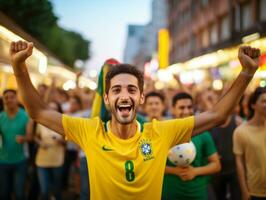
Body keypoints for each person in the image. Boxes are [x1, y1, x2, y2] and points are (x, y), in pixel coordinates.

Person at [9, 40, 260, 200]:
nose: (124, 95)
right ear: (106, 99)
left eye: (131, 90)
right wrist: (19, 68)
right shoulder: (89, 131)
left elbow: (217, 116)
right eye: (116, 90)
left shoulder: (160, 132)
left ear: (140, 98)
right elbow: (38, 112)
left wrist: (247, 73)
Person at [162, 92, 221, 200]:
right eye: (181, 107)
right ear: (173, 109)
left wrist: (194, 171)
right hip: (169, 193)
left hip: (197, 194)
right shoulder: (163, 132)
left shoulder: (203, 133)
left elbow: (216, 165)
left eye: (189, 107)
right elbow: (150, 163)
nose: (186, 111)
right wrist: (174, 171)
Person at [233, 87, 266, 200]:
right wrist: (244, 191)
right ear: (253, 105)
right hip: (255, 191)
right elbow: (239, 163)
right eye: (264, 101)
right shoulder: (240, 131)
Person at [0, 89, 30, 200]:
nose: (9, 100)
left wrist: (24, 138)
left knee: (19, 193)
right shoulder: (1, 117)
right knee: (3, 193)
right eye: (6, 98)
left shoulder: (25, 116)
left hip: (20, 161)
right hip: (2, 160)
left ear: (17, 98)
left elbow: (30, 136)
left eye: (11, 97)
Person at [35, 101, 65, 200]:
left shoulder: (64, 123)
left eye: (55, 108)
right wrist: (40, 143)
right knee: (44, 190)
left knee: (57, 190)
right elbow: (36, 136)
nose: (52, 110)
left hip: (57, 159)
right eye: (50, 108)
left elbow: (71, 140)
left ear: (58, 110)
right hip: (42, 159)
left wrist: (63, 140)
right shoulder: (42, 122)